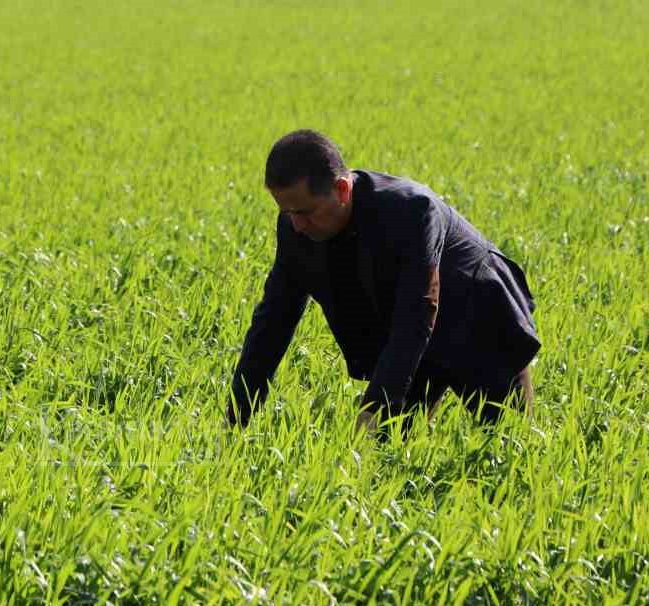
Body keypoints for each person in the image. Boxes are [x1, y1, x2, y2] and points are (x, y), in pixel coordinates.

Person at [226, 130, 540, 436]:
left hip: (477, 319)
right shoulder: (295, 228)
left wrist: (376, 405)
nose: (297, 224)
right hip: (408, 337)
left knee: (508, 442)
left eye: (305, 212)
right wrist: (236, 416)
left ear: (342, 190)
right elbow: (274, 320)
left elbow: (418, 309)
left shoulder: (411, 210)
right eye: (287, 212)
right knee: (386, 447)